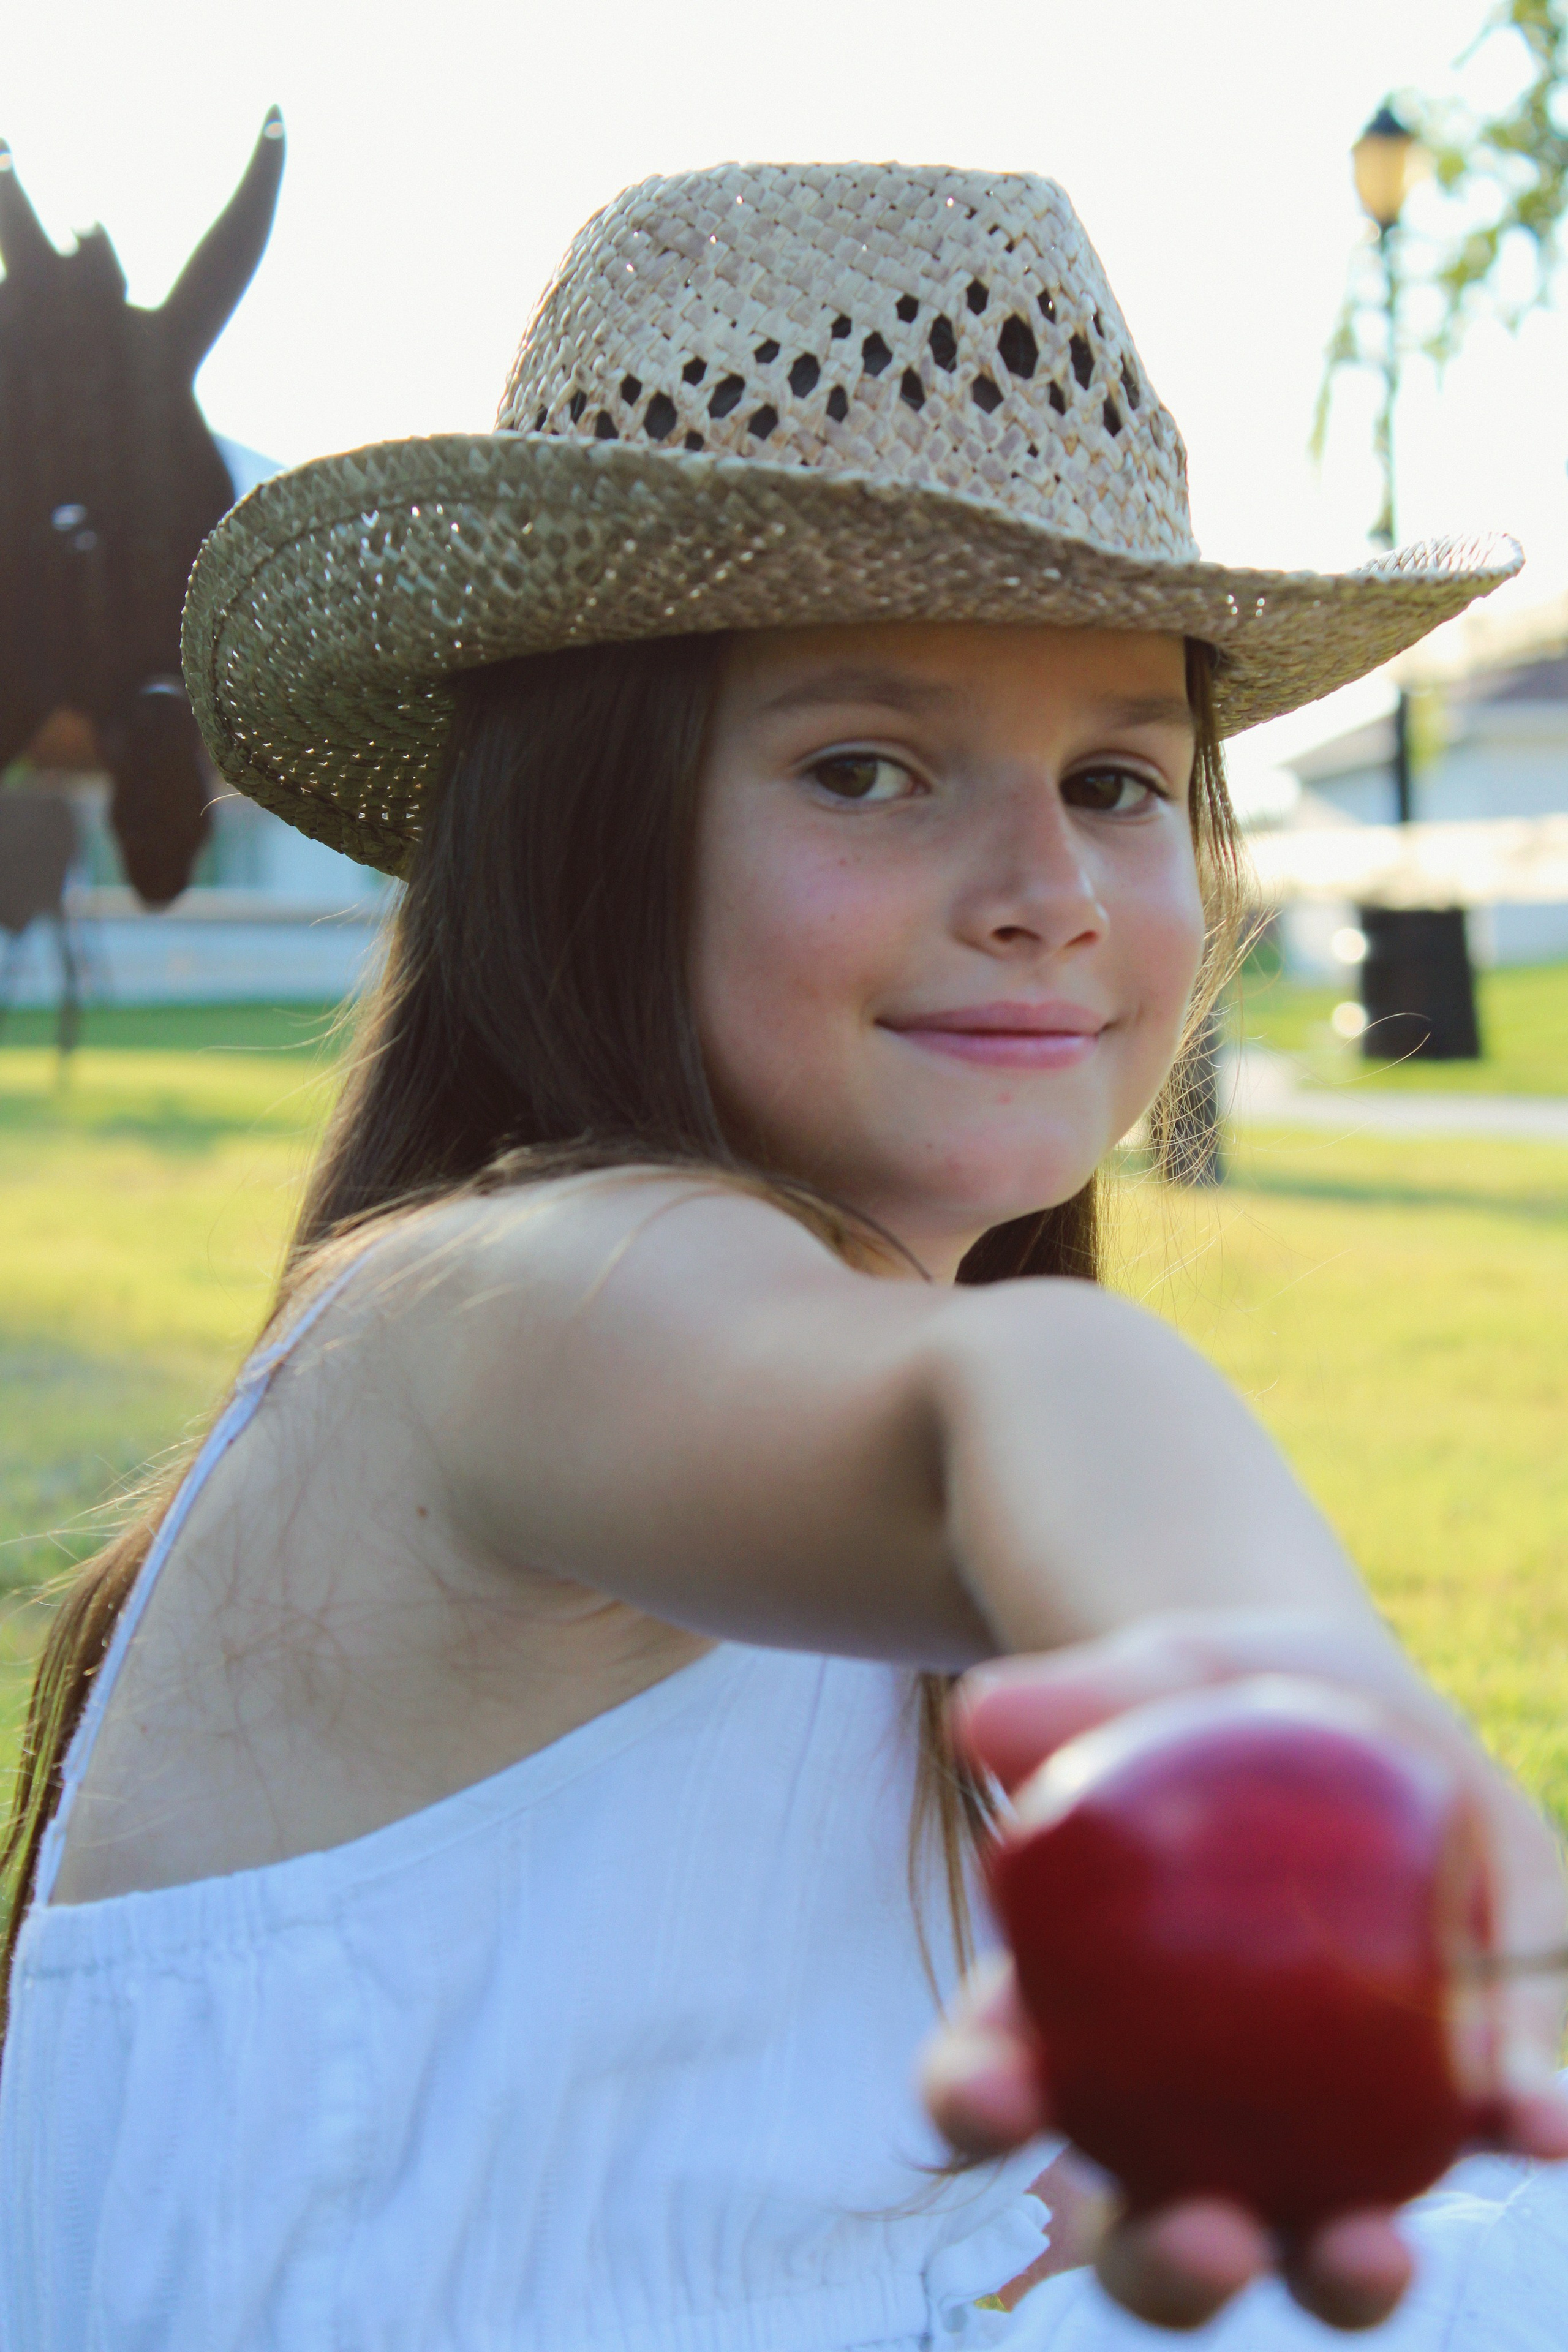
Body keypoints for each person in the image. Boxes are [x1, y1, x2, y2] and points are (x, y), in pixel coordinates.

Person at [1, 161, 1562, 2352]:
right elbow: (1030, 1399)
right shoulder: (502, 1312)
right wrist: (1305, 1723)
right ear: (586, 838)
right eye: (866, 766)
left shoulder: (821, 1411)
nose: (1042, 883)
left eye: (1121, 779)